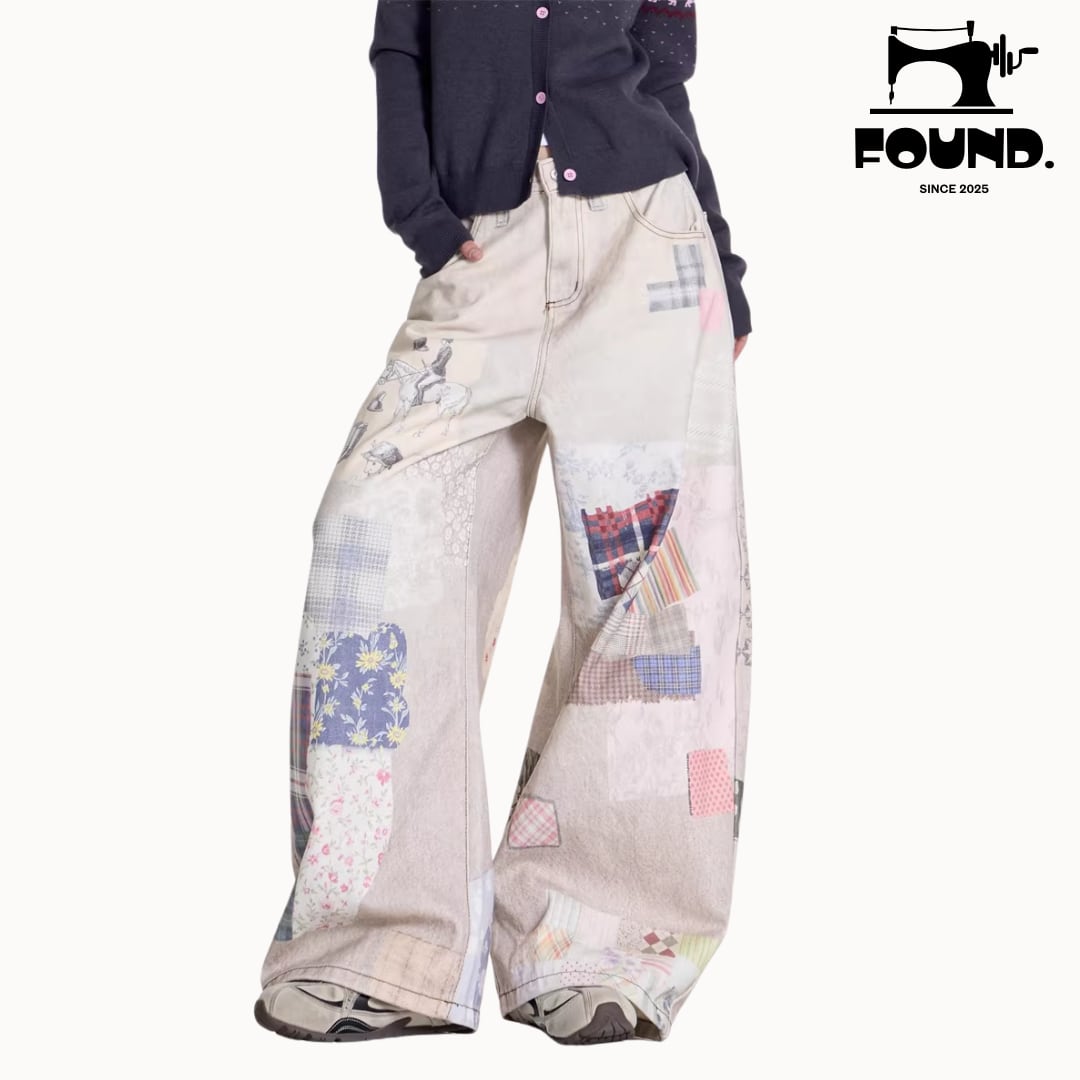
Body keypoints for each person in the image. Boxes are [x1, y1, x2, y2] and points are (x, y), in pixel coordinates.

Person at [255, 0, 753, 1045]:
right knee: (372, 550)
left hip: (648, 251)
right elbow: (400, 46)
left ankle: (604, 941)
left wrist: (720, 257)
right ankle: (383, 943)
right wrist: (423, 218)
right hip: (481, 259)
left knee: (652, 604)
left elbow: (663, 74)